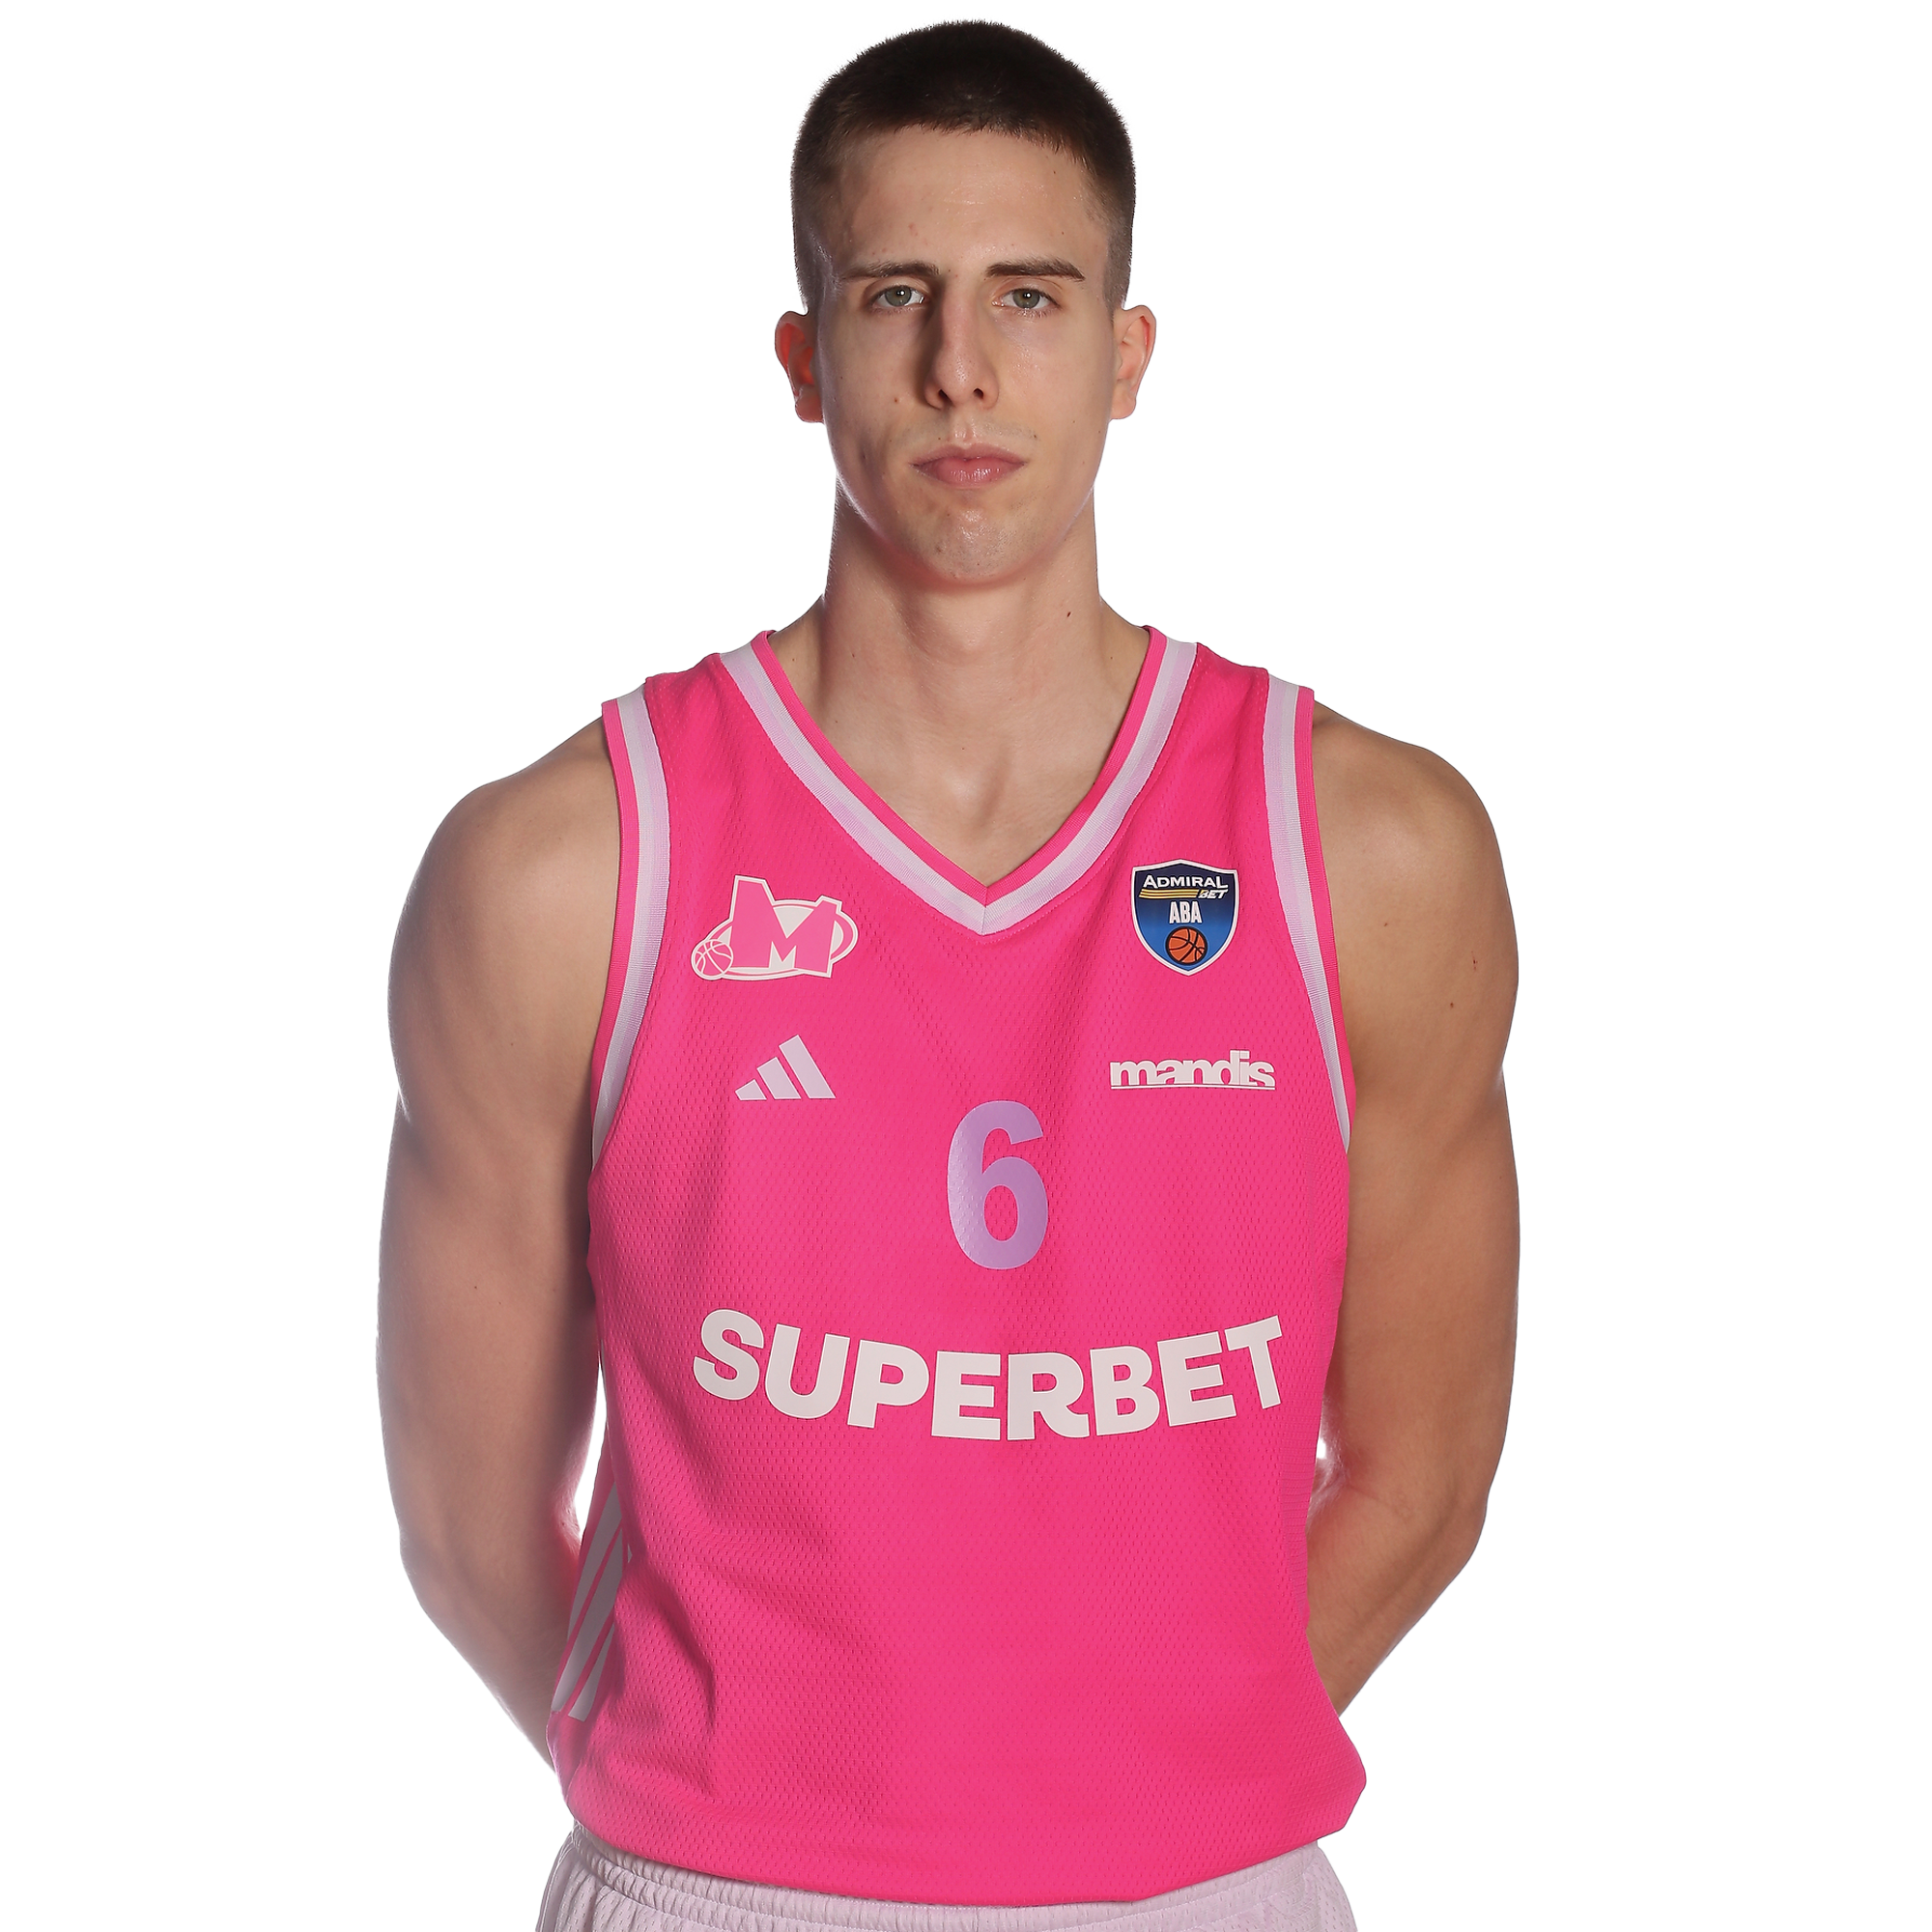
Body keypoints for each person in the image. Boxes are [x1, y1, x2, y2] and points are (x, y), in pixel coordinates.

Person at [379, 20, 1518, 1932]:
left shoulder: (1370, 851)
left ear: (1127, 355)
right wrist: (736, 1798)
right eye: (895, 293)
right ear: (804, 356)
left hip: (1198, 1887)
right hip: (715, 1888)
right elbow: (460, 1517)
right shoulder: (561, 870)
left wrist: (1142, 1786)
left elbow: (1424, 1471)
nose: (961, 366)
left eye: (1031, 297)